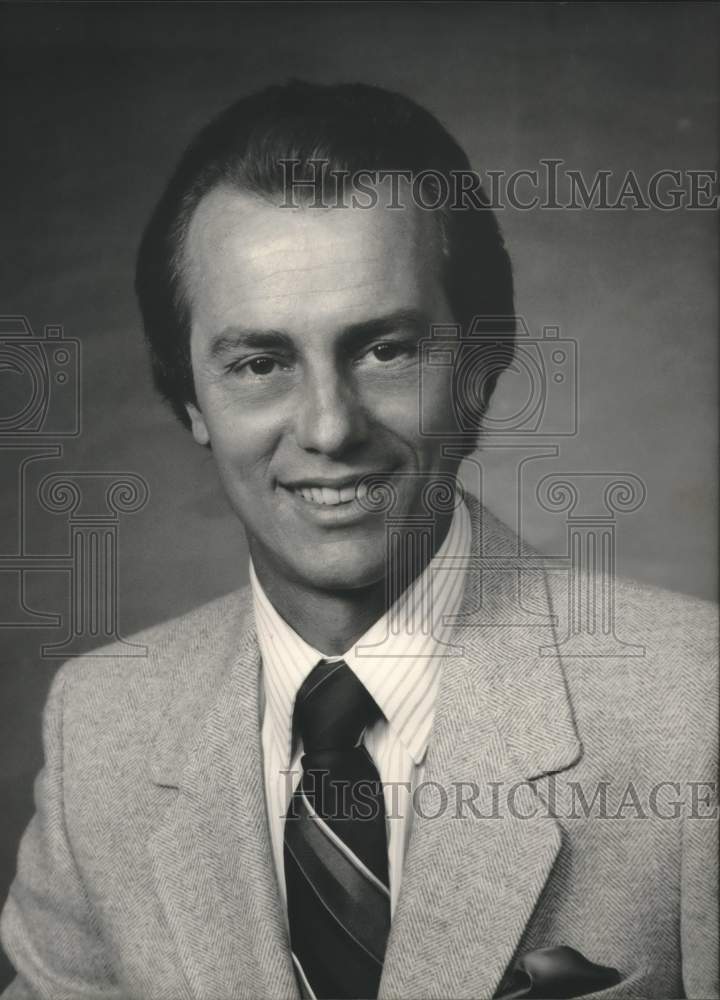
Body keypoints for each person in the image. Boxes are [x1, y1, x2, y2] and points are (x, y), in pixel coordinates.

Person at [0, 80, 716, 1000]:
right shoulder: (98, 727)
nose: (330, 428)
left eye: (385, 350)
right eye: (260, 364)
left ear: (482, 365)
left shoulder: (697, 712)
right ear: (190, 400)